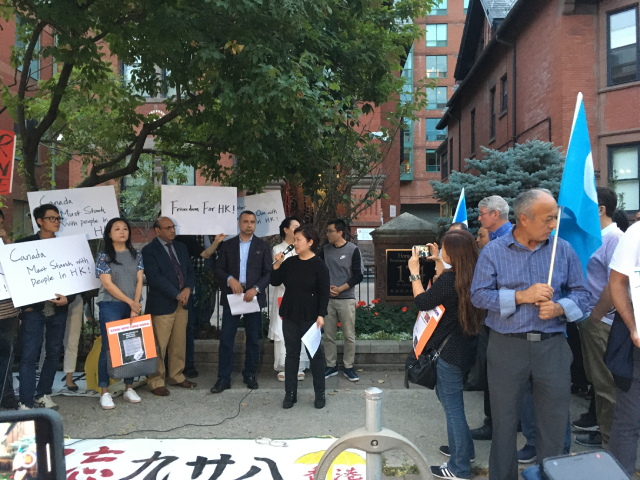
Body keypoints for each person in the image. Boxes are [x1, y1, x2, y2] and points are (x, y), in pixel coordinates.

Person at [470, 189, 589, 480]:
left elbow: (584, 296)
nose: (553, 225)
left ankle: (553, 475)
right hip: (507, 347)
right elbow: (478, 296)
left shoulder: (563, 250)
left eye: (555, 219)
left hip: (552, 348)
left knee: (555, 425)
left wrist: (560, 308)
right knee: (505, 424)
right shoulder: (494, 251)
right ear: (524, 219)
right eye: (548, 219)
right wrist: (521, 296)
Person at [408, 230, 484, 480]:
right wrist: (440, 263)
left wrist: (414, 272)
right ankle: (465, 451)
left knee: (453, 409)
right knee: (451, 403)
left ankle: (459, 467)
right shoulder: (471, 275)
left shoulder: (449, 281)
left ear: (453, 252)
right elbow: (446, 291)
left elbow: (423, 301)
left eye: (443, 248)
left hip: (447, 352)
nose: (440, 251)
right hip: (464, 348)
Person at [571, 187, 624, 448]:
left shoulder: (614, 238)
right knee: (599, 383)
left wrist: (596, 316)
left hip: (601, 324)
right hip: (592, 320)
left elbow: (616, 284)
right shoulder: (595, 237)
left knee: (606, 386)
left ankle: (611, 446)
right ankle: (606, 437)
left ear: (601, 209)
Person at [16, 204, 76, 410]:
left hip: (58, 310)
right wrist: (25, 307)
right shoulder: (24, 245)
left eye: (59, 218)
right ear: (39, 221)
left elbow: (75, 276)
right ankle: (25, 400)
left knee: (53, 353)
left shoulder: (66, 247)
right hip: (34, 311)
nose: (57, 221)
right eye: (52, 218)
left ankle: (43, 394)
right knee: (29, 355)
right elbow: (17, 278)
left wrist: (68, 297)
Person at [211, 211, 272, 394]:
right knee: (226, 339)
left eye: (252, 222)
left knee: (253, 339)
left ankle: (250, 374)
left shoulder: (263, 246)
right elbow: (217, 268)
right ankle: (223, 378)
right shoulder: (227, 245)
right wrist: (230, 278)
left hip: (253, 296)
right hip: (233, 296)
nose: (249, 225)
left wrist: (256, 289)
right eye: (245, 221)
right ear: (239, 223)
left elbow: (269, 272)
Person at [272, 225, 330, 409]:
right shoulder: (289, 262)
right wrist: (277, 263)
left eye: (299, 239)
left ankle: (320, 393)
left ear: (310, 242)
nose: (295, 243)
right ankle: (290, 393)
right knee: (291, 354)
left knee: (315, 355)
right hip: (290, 312)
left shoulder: (319, 265)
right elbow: (275, 281)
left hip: (311, 315)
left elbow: (324, 292)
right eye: (294, 239)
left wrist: (321, 314)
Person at [470, 195, 513, 441]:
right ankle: (494, 422)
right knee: (492, 374)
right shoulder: (493, 241)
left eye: (483, 213)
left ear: (495, 214)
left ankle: (500, 424)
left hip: (507, 321)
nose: (480, 218)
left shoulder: (508, 240)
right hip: (492, 318)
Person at [142, 216, 197, 396]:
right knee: (160, 344)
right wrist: (176, 294)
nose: (172, 230)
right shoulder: (149, 250)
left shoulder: (181, 248)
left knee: (178, 342)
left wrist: (188, 288)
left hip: (183, 302)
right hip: (162, 303)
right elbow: (155, 277)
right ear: (157, 230)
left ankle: (176, 375)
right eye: (167, 228)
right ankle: (156, 379)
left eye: (173, 227)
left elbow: (189, 270)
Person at [95, 217, 145, 409]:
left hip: (132, 305)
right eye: (117, 229)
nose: (122, 232)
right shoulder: (104, 256)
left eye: (125, 228)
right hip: (111, 305)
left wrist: (136, 304)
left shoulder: (136, 254)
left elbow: (139, 281)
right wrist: (131, 302)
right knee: (108, 348)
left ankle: (128, 387)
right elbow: (107, 284)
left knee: (131, 346)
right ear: (109, 233)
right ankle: (104, 391)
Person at [604, 215, 640, 475]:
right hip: (636, 342)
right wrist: (633, 327)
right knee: (630, 419)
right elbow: (617, 283)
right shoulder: (636, 234)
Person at [174, 233, 226, 378]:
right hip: (193, 274)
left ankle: (202, 326)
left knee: (206, 303)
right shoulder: (186, 236)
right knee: (188, 321)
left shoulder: (212, 233)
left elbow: (209, 253)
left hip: (209, 271)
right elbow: (201, 255)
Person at [321, 219, 364, 382]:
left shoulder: (353, 250)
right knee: (329, 335)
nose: (327, 234)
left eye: (330, 231)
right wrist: (327, 288)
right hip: (328, 299)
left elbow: (358, 275)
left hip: (346, 298)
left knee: (349, 335)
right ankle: (330, 365)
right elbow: (319, 271)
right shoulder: (324, 250)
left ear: (340, 232)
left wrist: (341, 288)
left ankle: (348, 367)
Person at [269, 217, 310, 381]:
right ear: (286, 230)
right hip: (282, 294)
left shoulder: (302, 248)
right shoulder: (277, 249)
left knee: (300, 327)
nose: (298, 229)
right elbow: (276, 272)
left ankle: (300, 365)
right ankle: (284, 366)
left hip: (301, 295)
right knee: (283, 329)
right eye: (295, 226)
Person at [0, 210, 19, 410]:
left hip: (7, 309)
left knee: (6, 354)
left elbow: (18, 267)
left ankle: (6, 398)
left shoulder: (7, 245)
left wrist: (6, 241)